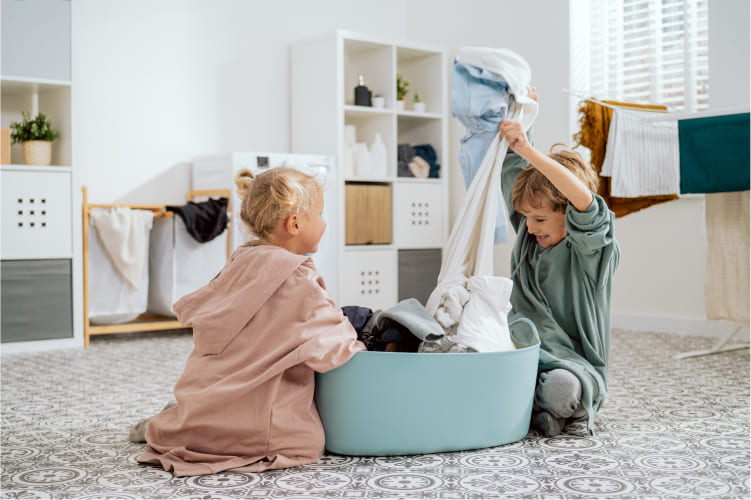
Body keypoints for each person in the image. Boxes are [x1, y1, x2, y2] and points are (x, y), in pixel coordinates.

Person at [133, 166, 365, 476]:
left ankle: (188, 421)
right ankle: (206, 425)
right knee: (305, 439)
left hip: (204, 397)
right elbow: (335, 345)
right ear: (294, 223)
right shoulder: (299, 280)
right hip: (258, 428)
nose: (324, 222)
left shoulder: (240, 263)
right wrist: (365, 343)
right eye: (320, 214)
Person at [498, 104, 620, 437]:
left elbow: (585, 202)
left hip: (571, 367)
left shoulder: (590, 252)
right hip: (523, 354)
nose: (529, 226)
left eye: (539, 219)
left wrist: (529, 150)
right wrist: (524, 113)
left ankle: (545, 407)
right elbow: (513, 167)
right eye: (526, 218)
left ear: (569, 213)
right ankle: (542, 413)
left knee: (562, 389)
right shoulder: (531, 236)